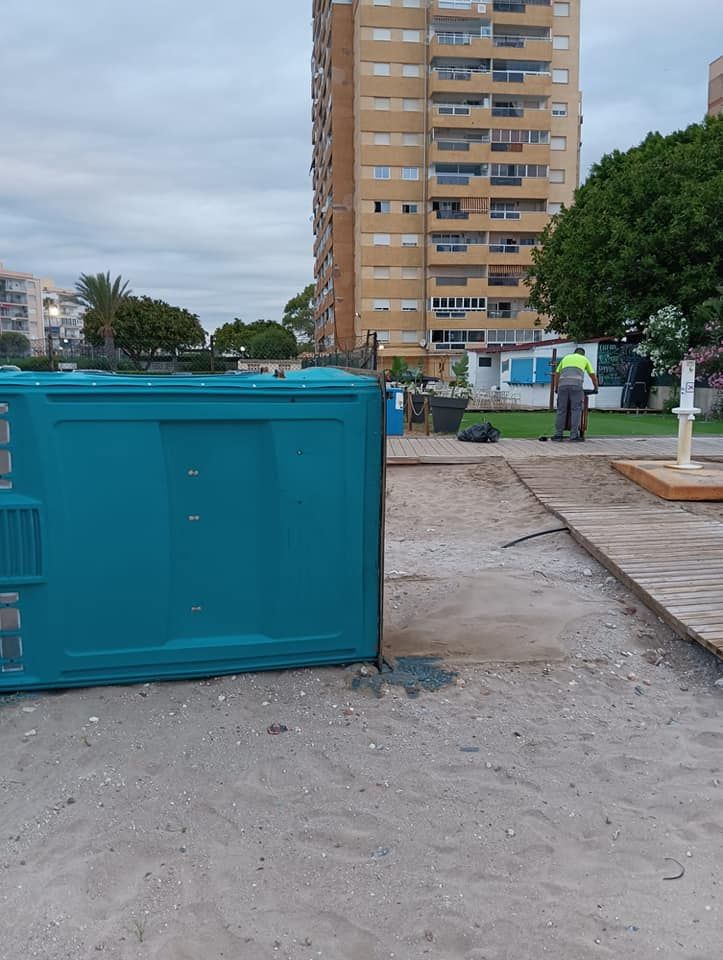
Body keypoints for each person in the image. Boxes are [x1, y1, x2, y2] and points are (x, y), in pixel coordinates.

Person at [552, 347, 599, 442]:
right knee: (576, 410)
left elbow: (557, 373)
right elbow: (593, 375)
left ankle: (558, 435)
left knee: (561, 410)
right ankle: (574, 436)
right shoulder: (584, 359)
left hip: (562, 386)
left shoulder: (565, 358)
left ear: (574, 353)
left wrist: (556, 388)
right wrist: (596, 388)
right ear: (583, 354)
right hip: (576, 387)